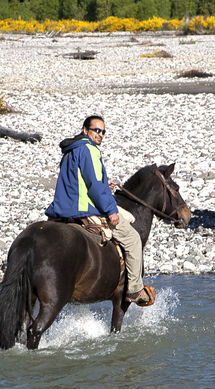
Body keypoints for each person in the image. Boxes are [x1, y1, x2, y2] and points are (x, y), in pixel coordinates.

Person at [45, 115, 153, 306]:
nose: (100, 135)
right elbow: (94, 186)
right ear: (85, 130)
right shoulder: (90, 150)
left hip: (61, 208)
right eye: (96, 130)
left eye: (103, 131)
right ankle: (135, 290)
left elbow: (80, 180)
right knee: (133, 238)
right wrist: (110, 210)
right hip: (82, 209)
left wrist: (105, 182)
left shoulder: (71, 150)